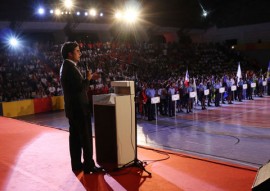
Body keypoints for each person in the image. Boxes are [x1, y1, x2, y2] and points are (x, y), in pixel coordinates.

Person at [59, 41, 103, 174]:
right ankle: (89, 165)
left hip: (72, 109)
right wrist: (88, 79)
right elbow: (81, 89)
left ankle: (77, 164)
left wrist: (88, 79)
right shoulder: (70, 68)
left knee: (75, 138)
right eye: (77, 51)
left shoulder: (66, 66)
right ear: (70, 54)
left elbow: (76, 87)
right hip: (79, 109)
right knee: (85, 137)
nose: (80, 53)